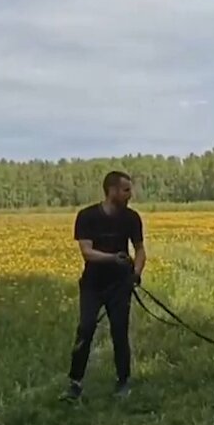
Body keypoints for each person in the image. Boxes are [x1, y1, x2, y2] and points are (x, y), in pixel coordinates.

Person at [60, 170, 146, 402]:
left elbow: (139, 250)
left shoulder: (132, 218)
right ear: (112, 191)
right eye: (126, 190)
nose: (130, 194)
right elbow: (87, 252)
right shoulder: (87, 216)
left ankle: (123, 381)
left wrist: (135, 273)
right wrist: (113, 258)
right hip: (93, 285)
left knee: (120, 332)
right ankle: (75, 384)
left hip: (120, 285)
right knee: (85, 329)